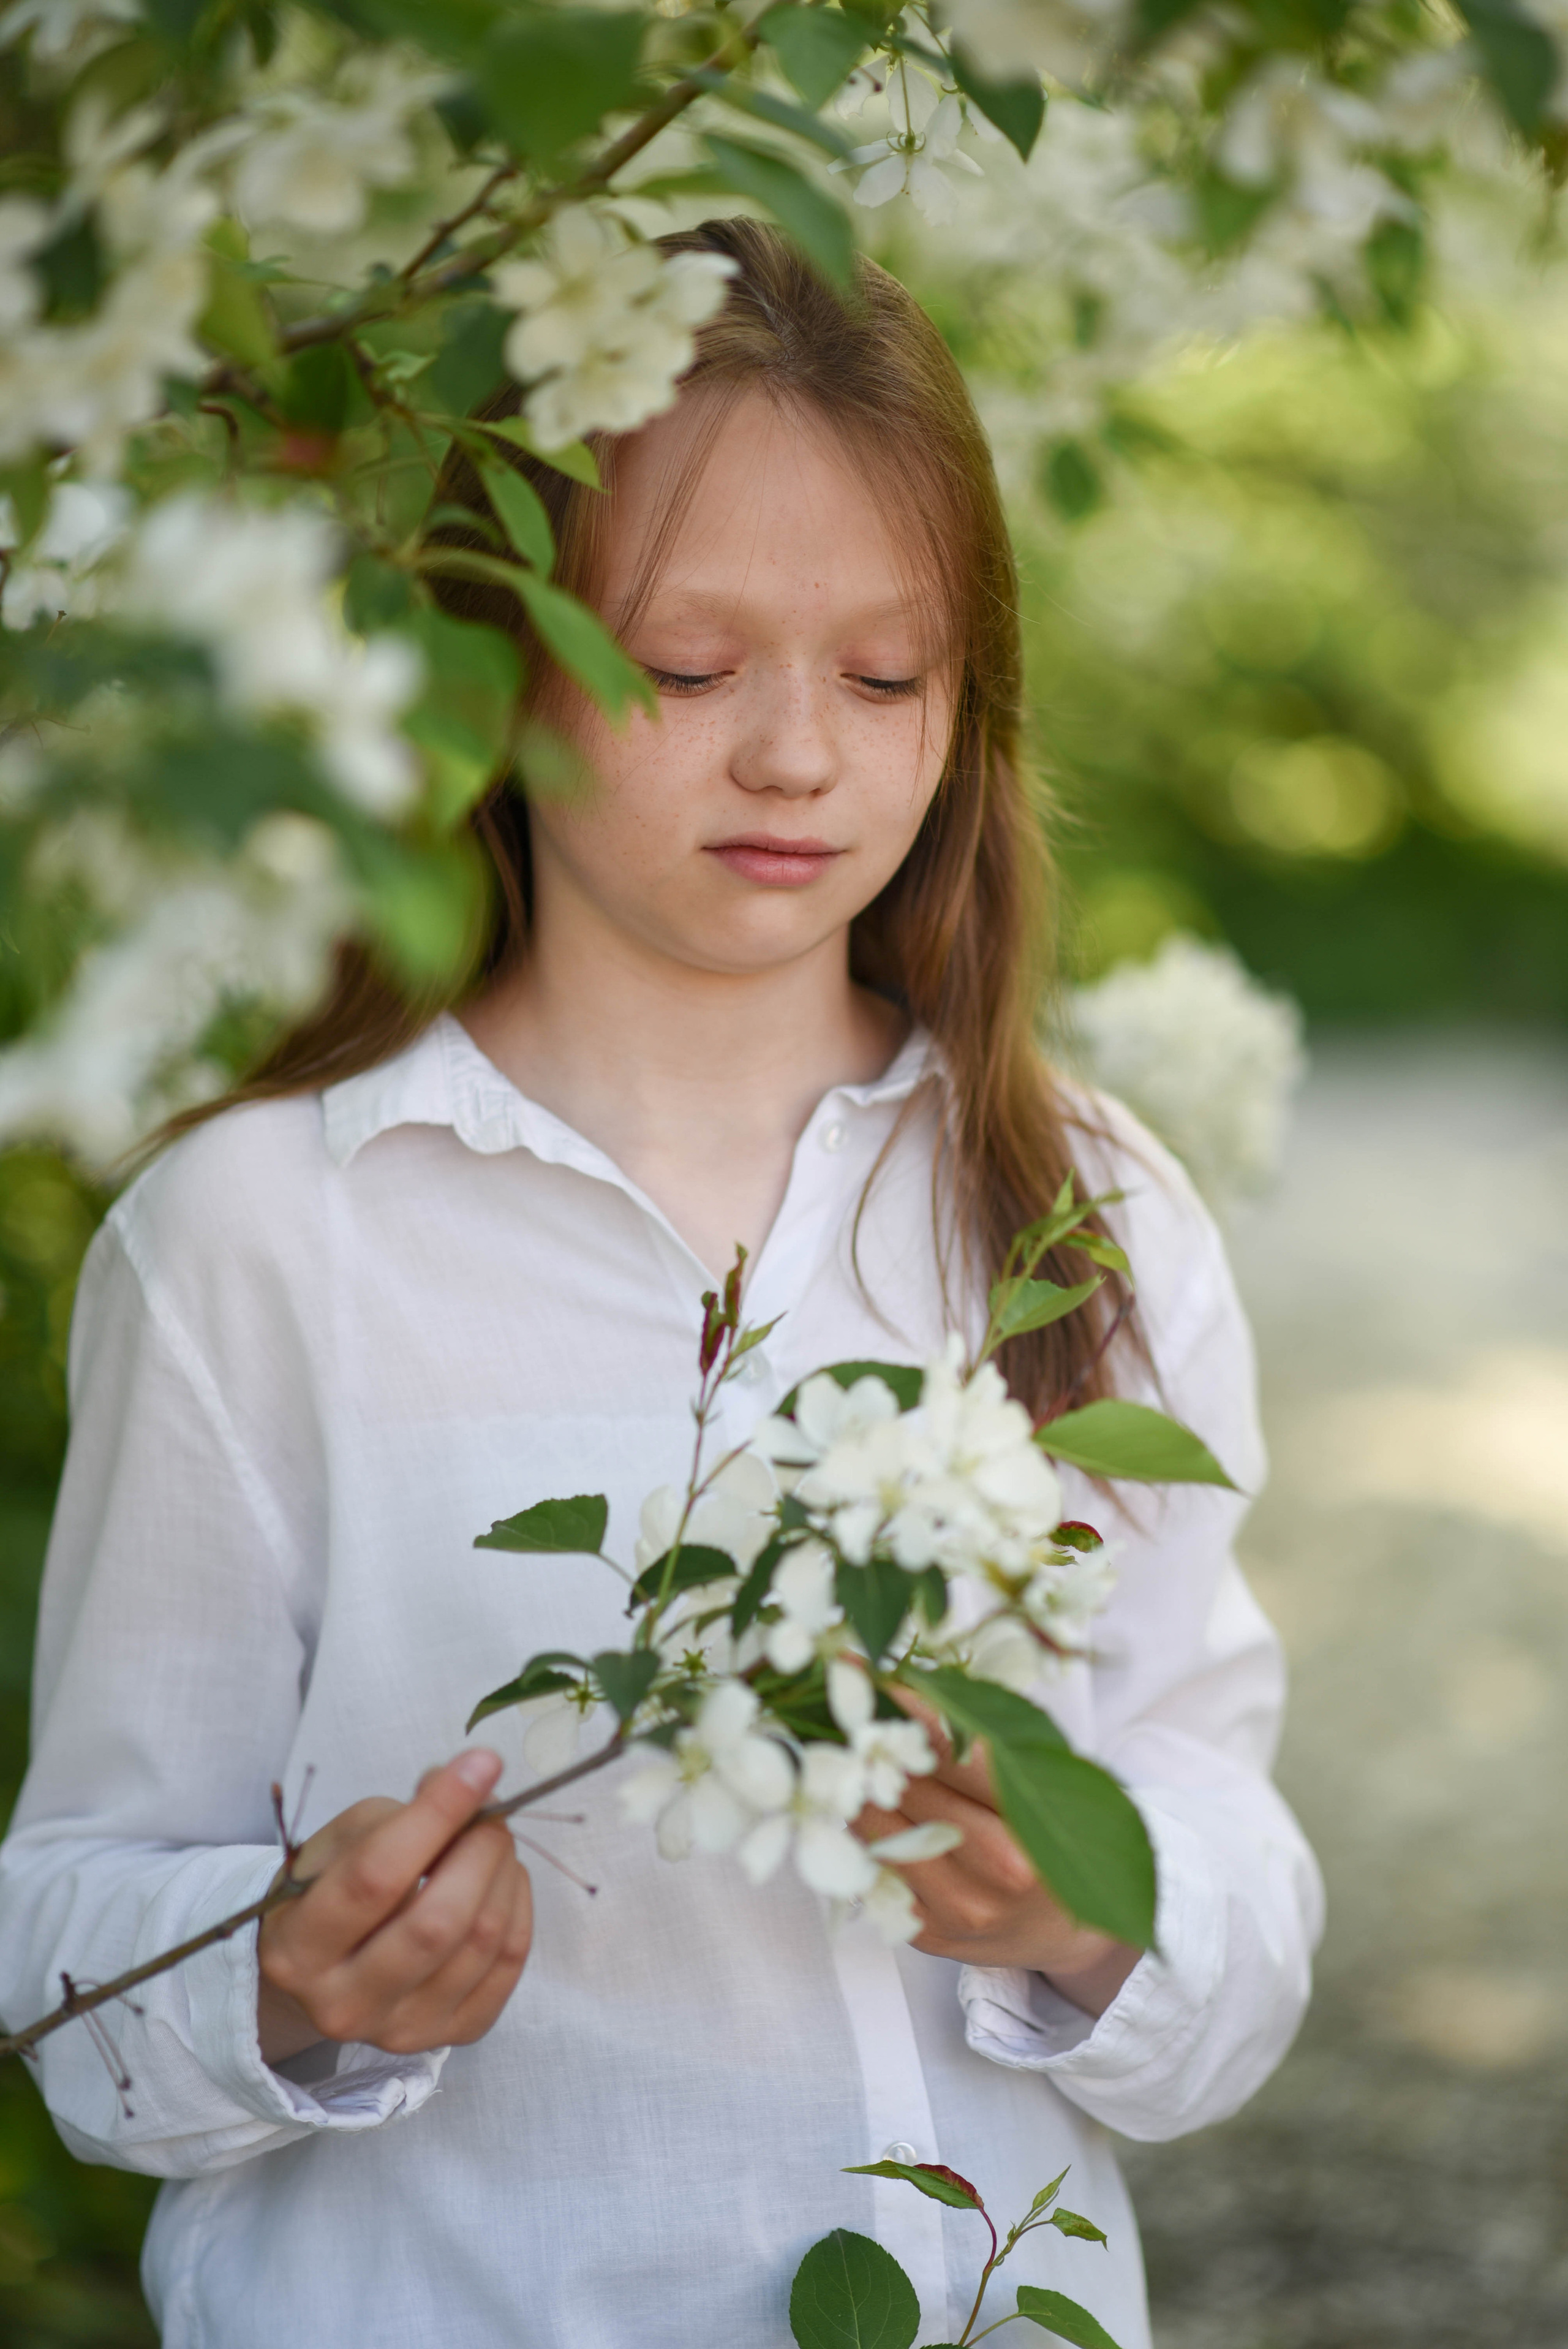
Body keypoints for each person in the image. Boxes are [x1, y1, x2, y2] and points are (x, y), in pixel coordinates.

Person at [0, 221, 1322, 2349]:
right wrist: (277, 1970)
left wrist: (1094, 1913)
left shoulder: (1082, 1207)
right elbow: (75, 1931)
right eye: (688, 668)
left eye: (885, 677)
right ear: (485, 668)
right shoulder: (262, 1235)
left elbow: (1226, 1852)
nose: (798, 752)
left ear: (969, 700)